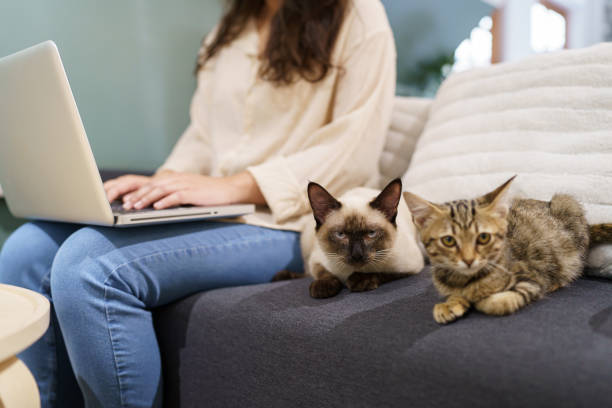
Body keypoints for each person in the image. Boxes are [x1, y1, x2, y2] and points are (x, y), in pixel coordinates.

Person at [0, 0, 396, 406]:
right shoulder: (235, 24)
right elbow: (204, 136)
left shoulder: (358, 14)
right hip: (221, 209)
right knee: (24, 250)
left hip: (290, 221)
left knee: (89, 266)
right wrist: (159, 186)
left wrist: (232, 187)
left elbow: (353, 149)